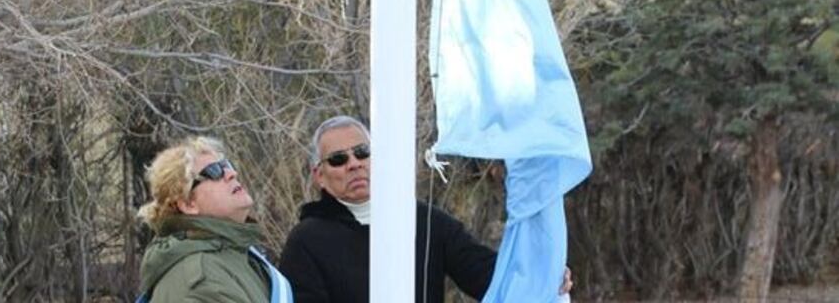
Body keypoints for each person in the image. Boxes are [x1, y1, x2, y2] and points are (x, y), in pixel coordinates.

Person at [278, 116, 572, 303]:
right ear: (319, 175)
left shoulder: (422, 220)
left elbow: (488, 275)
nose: (354, 164)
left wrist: (543, 274)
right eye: (338, 159)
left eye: (362, 153)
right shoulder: (305, 241)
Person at [138, 136, 292, 303]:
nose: (232, 174)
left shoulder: (235, 255)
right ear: (188, 204)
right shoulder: (202, 284)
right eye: (214, 171)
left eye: (227, 165)